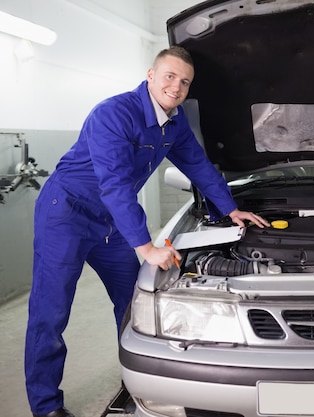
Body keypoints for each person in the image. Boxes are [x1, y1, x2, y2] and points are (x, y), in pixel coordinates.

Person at [24, 46, 269, 417]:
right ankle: (45, 406)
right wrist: (145, 246)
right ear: (150, 75)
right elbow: (116, 186)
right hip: (67, 215)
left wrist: (230, 208)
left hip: (111, 219)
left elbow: (197, 165)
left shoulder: (175, 120)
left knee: (134, 303)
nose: (177, 86)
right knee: (51, 312)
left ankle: (138, 380)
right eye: (170, 76)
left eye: (185, 81)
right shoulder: (113, 114)